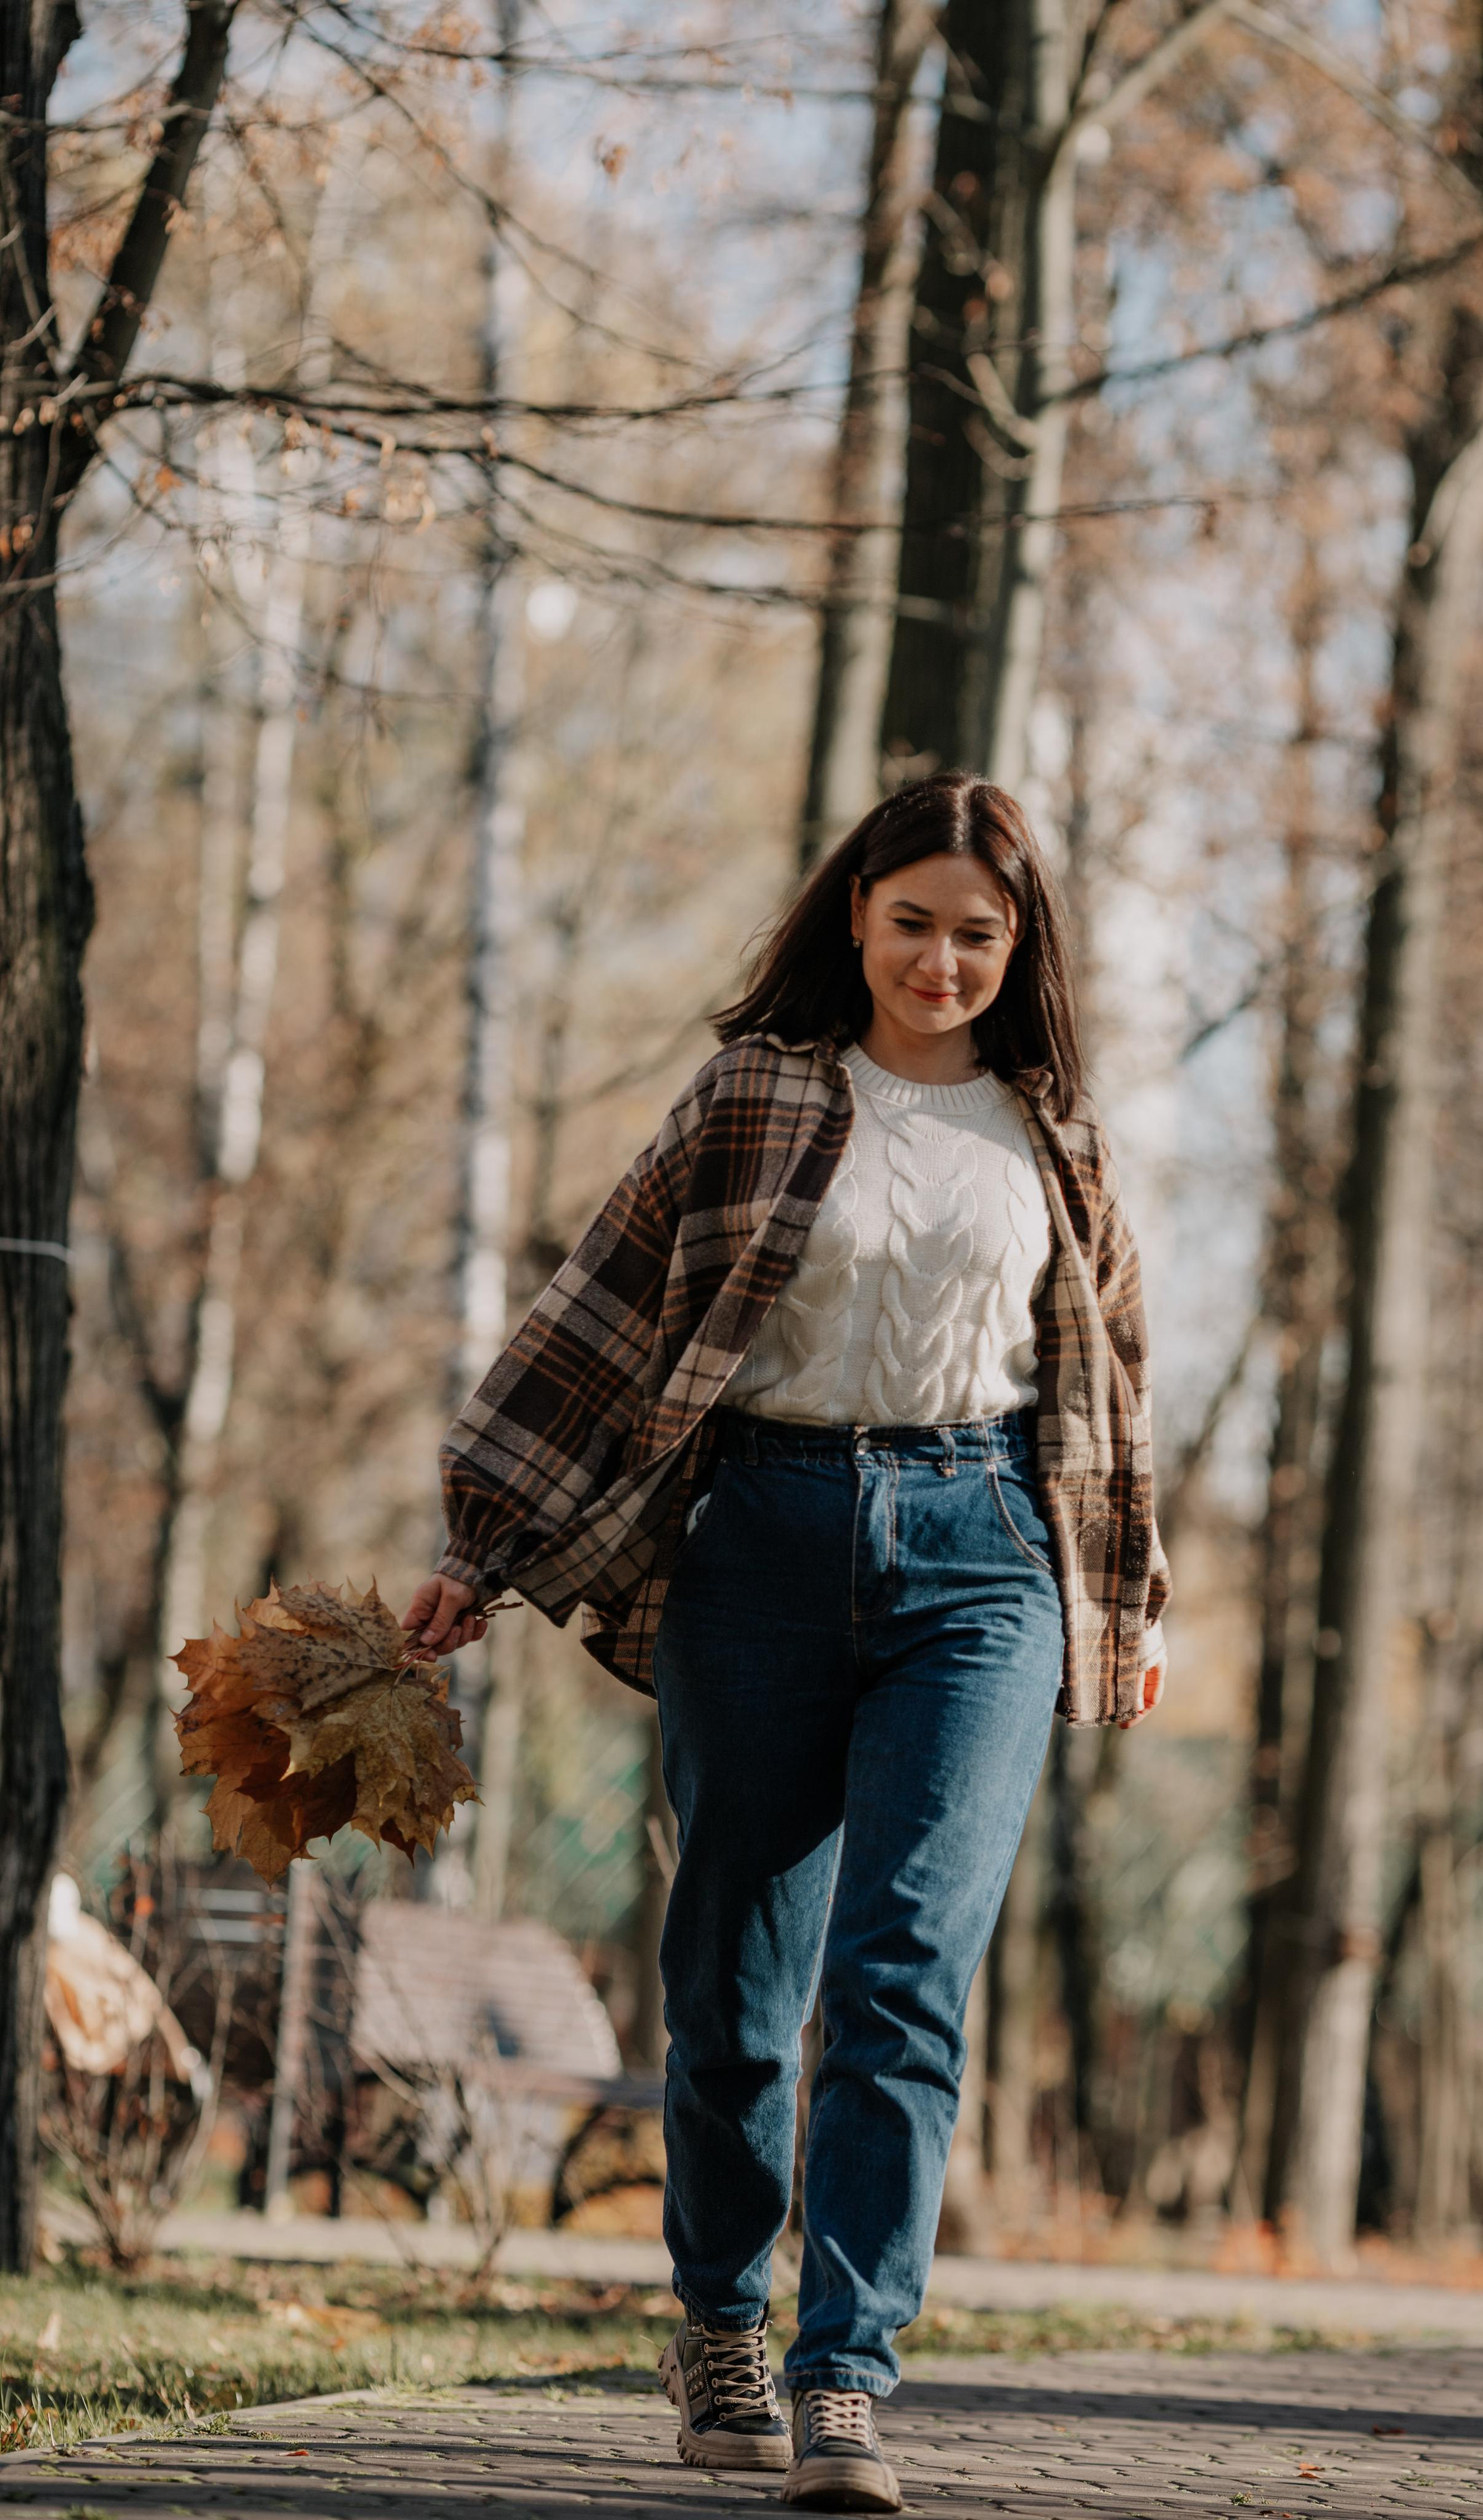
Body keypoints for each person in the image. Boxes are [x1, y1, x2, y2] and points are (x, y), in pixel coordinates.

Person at [402, 770, 1169, 2515]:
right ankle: (720, 2325)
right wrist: (477, 1542)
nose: (944, 960)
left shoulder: (1058, 1133)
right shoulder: (757, 1094)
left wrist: (1124, 1605)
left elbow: (1109, 1384)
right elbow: (593, 1316)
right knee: (736, 1987)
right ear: (856, 916)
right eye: (914, 922)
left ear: (1021, 945)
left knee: (904, 1967)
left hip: (983, 1557)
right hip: (760, 1540)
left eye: (983, 933)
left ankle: (846, 2375)